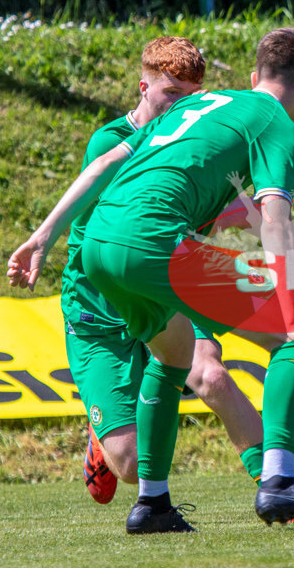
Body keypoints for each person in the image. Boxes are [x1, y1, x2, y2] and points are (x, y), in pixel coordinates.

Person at [8, 27, 294, 534]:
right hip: (155, 247)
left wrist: (43, 235)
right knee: (292, 339)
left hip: (100, 249)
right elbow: (277, 222)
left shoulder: (200, 104)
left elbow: (110, 163)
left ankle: (152, 505)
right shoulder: (280, 126)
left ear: (255, 75)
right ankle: (280, 485)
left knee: (173, 354)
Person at [61, 36, 265, 507]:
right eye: (170, 93)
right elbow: (130, 227)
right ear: (143, 87)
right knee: (130, 465)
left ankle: (278, 485)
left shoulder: (195, 142)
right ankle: (102, 438)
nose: (181, 105)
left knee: (211, 377)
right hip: (102, 307)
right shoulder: (110, 142)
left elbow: (221, 205)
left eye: (192, 96)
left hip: (167, 288)